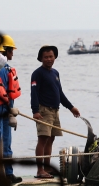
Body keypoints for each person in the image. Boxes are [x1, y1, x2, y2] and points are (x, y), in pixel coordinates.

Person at [31, 45, 81, 178]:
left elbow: (60, 93)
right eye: (45, 57)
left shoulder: (55, 73)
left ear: (55, 57)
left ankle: (47, 168)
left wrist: (71, 108)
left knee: (51, 139)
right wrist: (35, 111)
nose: (48, 59)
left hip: (55, 111)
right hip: (43, 110)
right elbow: (34, 93)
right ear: (41, 58)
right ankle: (40, 171)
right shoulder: (37, 73)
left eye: (51, 56)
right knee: (42, 139)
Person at [0, 35, 22, 184]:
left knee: (5, 143)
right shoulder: (1, 69)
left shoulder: (4, 68)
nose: (12, 54)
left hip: (5, 110)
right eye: (11, 50)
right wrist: (9, 111)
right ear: (4, 51)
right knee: (5, 143)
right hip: (2, 113)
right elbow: (2, 91)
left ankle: (7, 173)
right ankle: (7, 173)